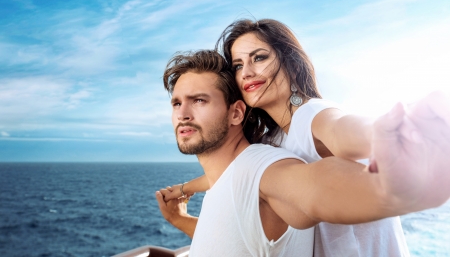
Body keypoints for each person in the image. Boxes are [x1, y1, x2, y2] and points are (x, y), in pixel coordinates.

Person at [156, 49, 450, 257]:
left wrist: (396, 188)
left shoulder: (261, 166)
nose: (183, 114)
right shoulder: (235, 174)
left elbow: (313, 187)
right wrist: (180, 215)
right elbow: (226, 242)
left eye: (199, 100)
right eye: (176, 103)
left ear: (235, 113)